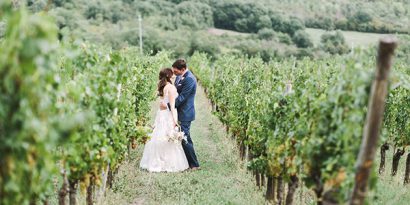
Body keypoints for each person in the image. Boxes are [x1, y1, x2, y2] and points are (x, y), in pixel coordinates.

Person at [139, 68, 189, 172]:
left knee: (159, 135)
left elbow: (163, 103)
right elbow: (172, 106)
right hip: (167, 115)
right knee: (167, 136)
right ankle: (167, 163)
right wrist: (175, 121)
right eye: (172, 74)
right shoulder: (170, 87)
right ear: (169, 76)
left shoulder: (163, 86)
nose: (174, 75)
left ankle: (157, 160)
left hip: (161, 114)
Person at [161, 59, 200, 170]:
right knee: (183, 137)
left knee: (184, 137)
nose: (174, 73)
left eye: (176, 71)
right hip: (178, 112)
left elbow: (182, 98)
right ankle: (190, 162)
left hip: (186, 113)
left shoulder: (190, 79)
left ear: (182, 69)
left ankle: (194, 165)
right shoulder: (179, 76)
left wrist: (167, 106)